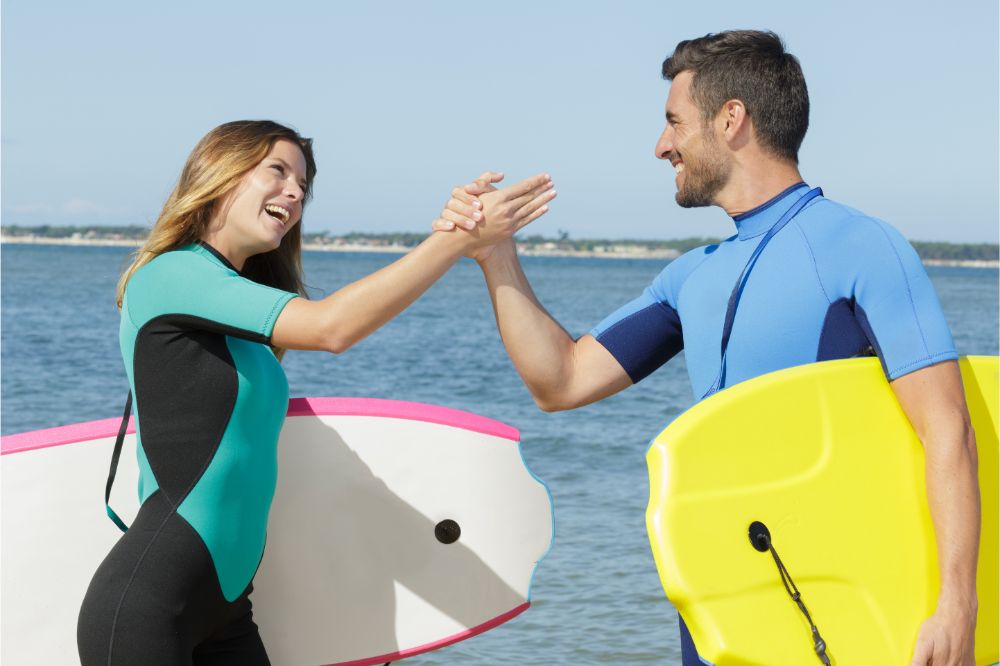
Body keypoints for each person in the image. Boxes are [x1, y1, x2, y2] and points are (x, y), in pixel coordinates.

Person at [436, 30, 979, 666]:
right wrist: (494, 256)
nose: (661, 145)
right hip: (723, 604)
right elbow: (560, 381)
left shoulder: (860, 247)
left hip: (843, 604)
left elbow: (948, 430)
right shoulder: (693, 275)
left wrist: (957, 607)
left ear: (731, 119)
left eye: (673, 122)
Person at [76, 119, 556, 666]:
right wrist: (456, 241)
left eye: (303, 185)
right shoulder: (172, 275)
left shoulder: (236, 310)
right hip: (149, 608)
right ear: (219, 172)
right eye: (277, 171)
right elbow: (332, 328)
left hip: (228, 611)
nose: (295, 192)